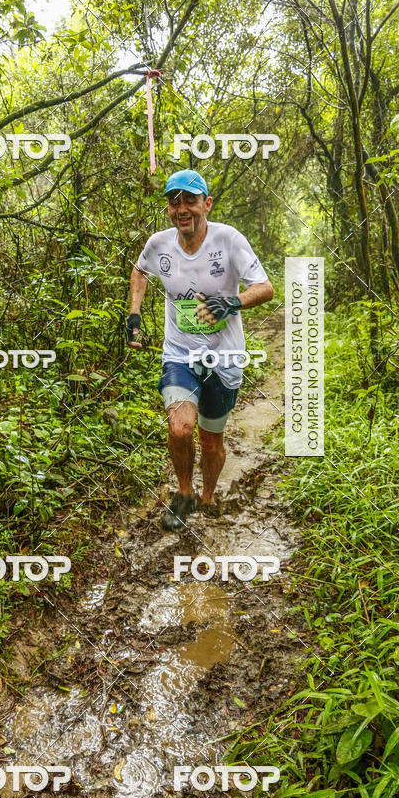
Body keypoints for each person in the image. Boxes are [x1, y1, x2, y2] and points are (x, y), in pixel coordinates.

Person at [127, 169, 274, 531]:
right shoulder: (159, 244)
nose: (182, 208)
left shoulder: (229, 240)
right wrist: (134, 314)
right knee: (179, 427)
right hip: (179, 354)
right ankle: (184, 493)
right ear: (168, 208)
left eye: (190, 200)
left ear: (206, 204)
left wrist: (231, 302)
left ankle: (208, 494)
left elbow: (266, 287)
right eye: (174, 201)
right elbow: (139, 271)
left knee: (211, 441)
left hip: (224, 358)